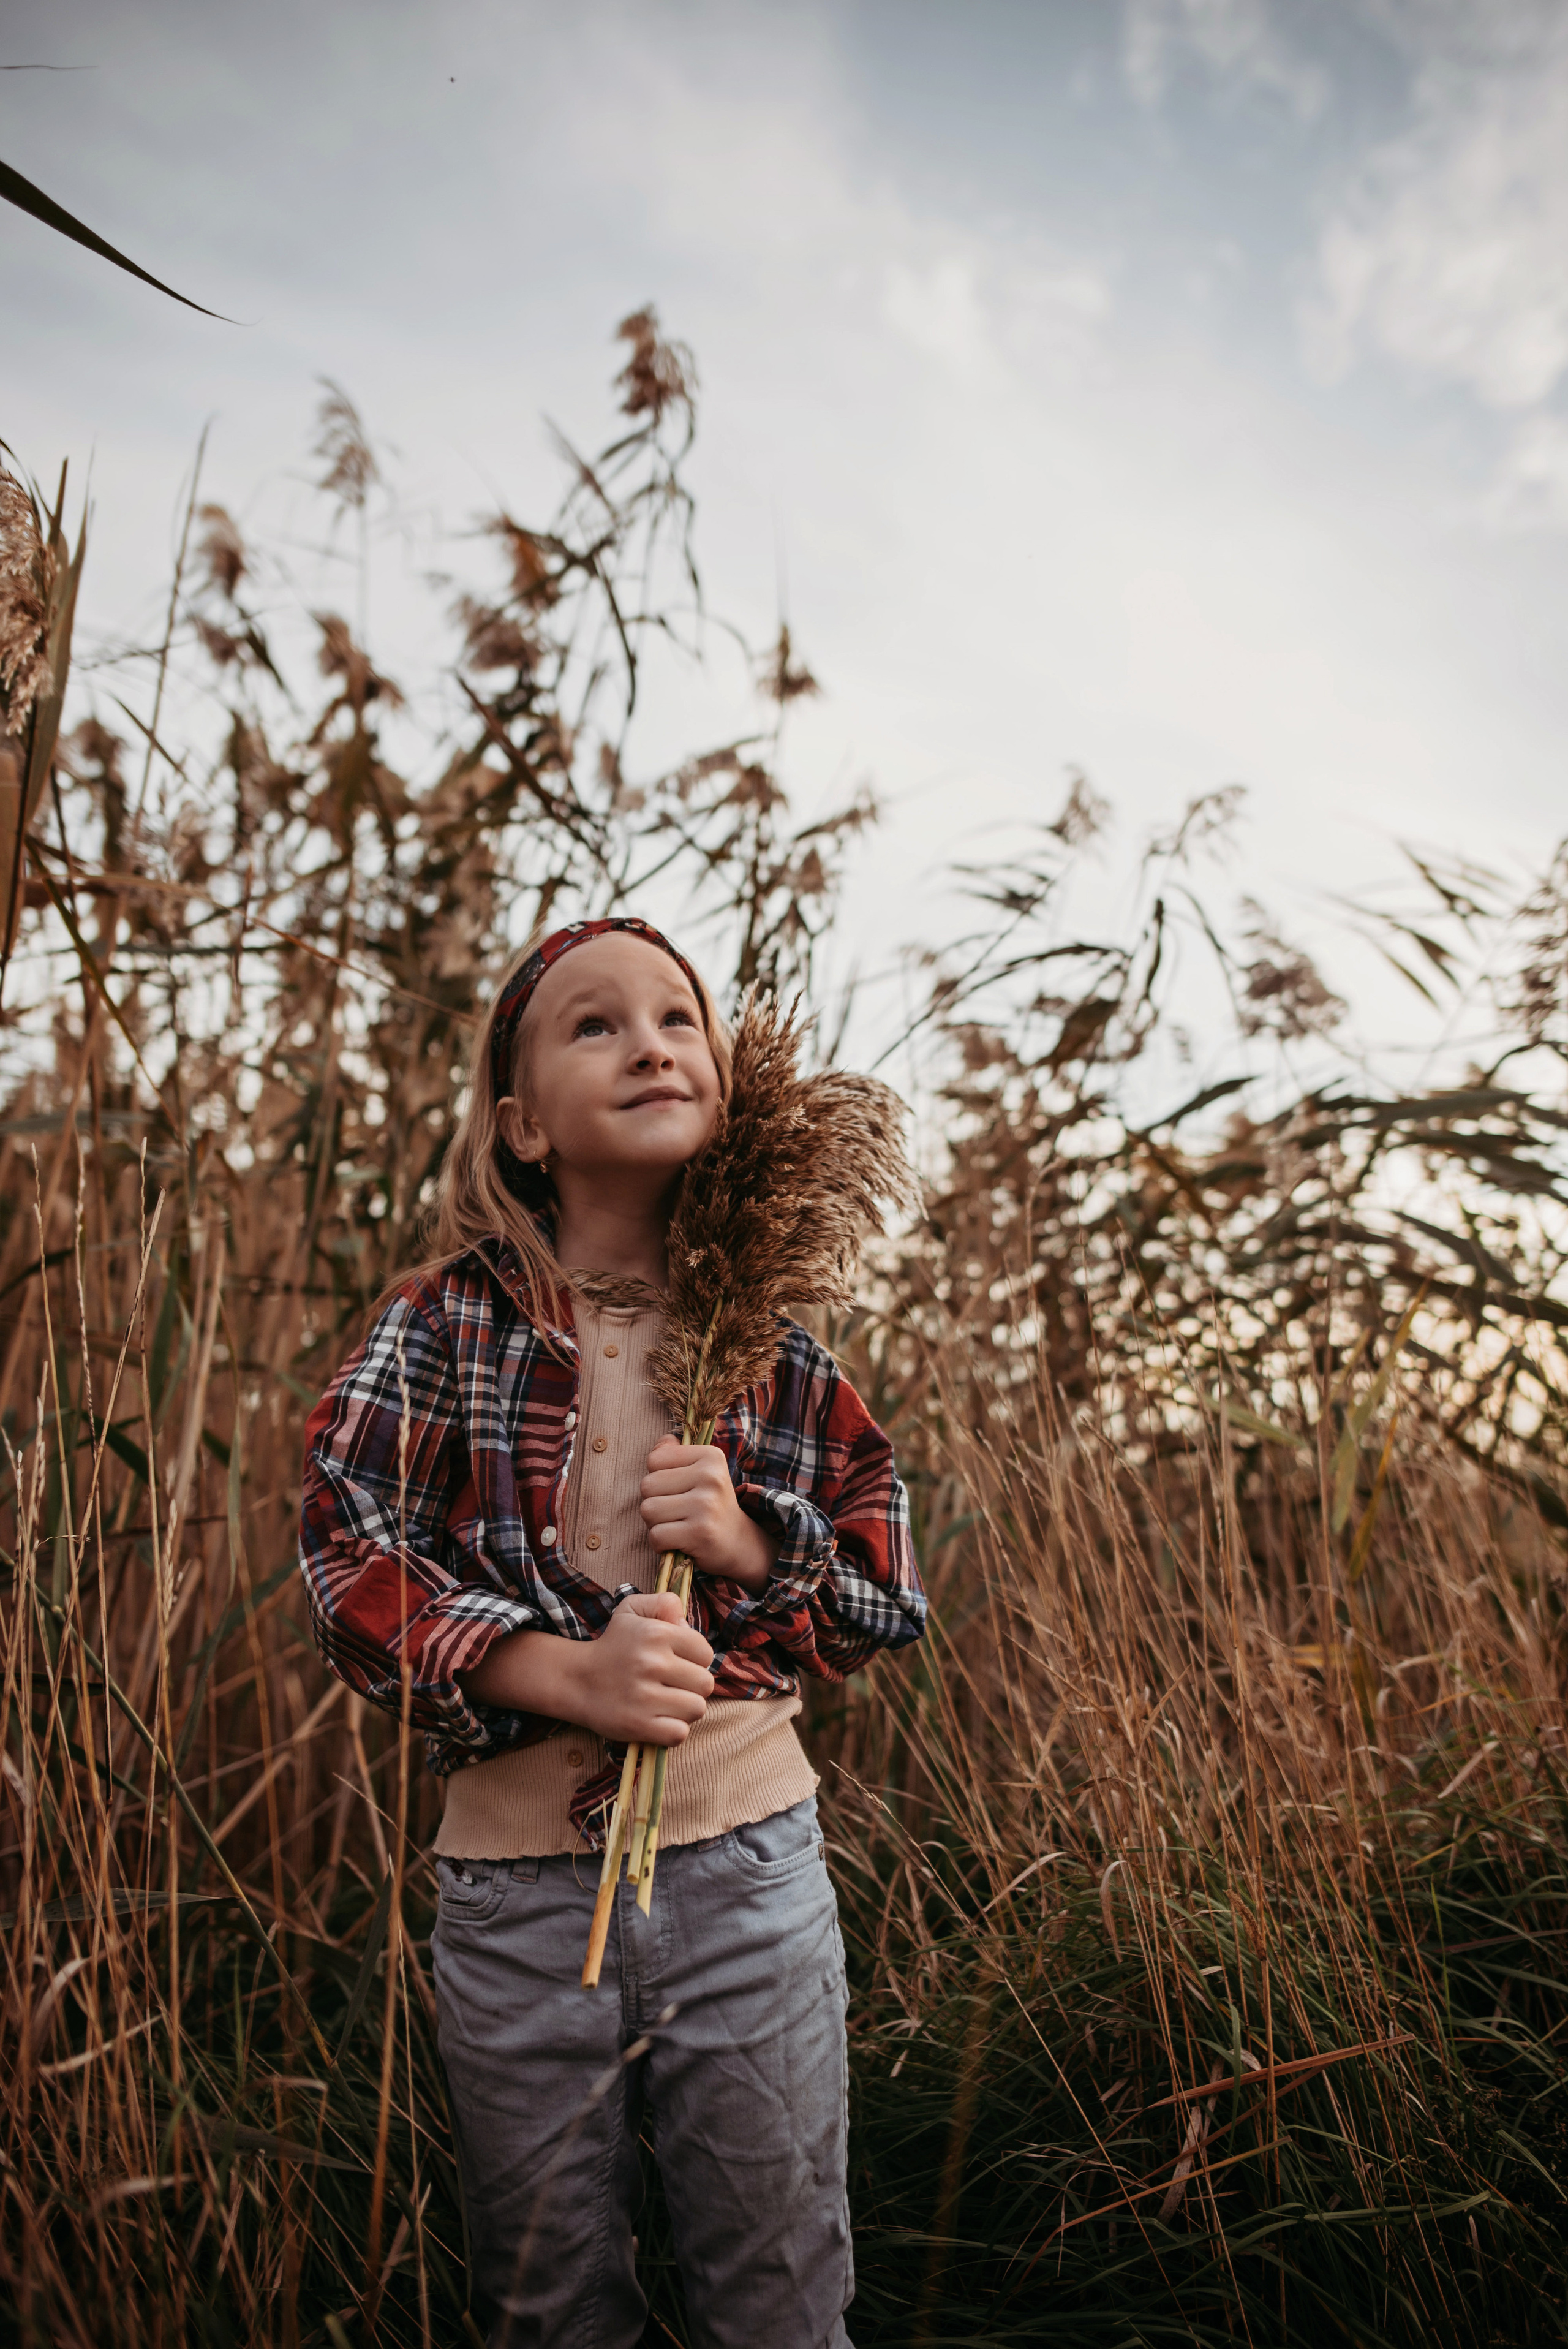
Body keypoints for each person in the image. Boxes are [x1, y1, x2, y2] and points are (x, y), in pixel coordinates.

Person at [298, 915, 927, 2348]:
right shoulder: (443, 1327)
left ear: (722, 1081)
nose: (647, 1041)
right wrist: (558, 1669)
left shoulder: (768, 1344)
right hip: (515, 1903)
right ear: (521, 1123)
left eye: (676, 1020)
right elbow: (348, 1556)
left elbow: (887, 1576)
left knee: (773, 2288)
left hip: (745, 1876)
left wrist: (753, 1540)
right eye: (593, 1025)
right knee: (548, 2303)